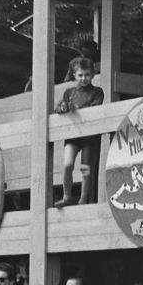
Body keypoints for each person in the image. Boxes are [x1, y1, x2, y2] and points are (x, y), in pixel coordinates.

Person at [54, 56, 104, 207]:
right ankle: (67, 196)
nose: (84, 78)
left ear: (93, 75)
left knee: (85, 168)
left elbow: (95, 108)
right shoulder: (69, 92)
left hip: (89, 136)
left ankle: (83, 198)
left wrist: (77, 109)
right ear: (74, 75)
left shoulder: (97, 91)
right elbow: (58, 108)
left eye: (87, 75)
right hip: (73, 134)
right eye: (80, 75)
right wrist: (64, 108)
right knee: (67, 164)